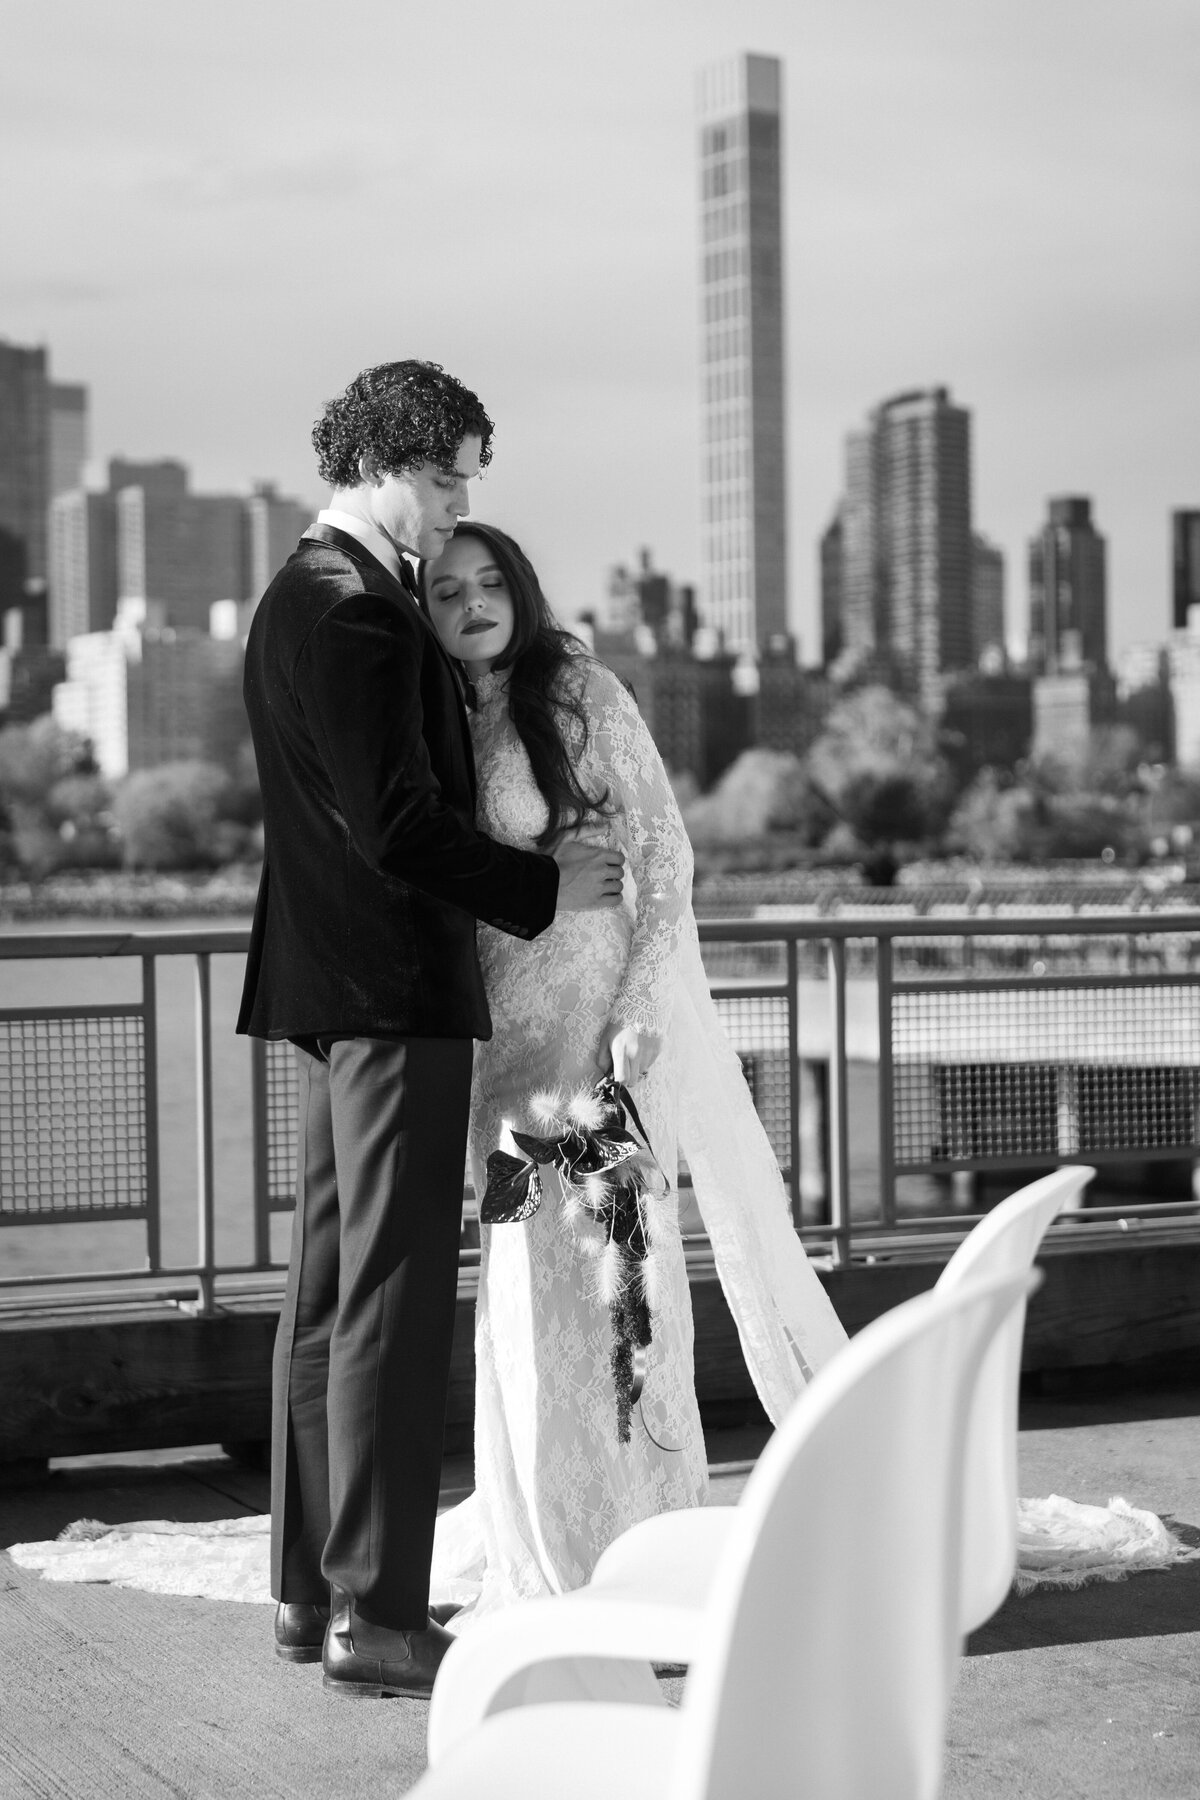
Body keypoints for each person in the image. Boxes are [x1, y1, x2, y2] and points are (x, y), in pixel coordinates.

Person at [235, 363, 624, 1699]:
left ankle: (304, 1593)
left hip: (328, 993)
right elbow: (396, 827)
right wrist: (544, 889)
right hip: (396, 995)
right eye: (448, 472)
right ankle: (378, 1616)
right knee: (389, 1313)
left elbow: (315, 833)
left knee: (330, 1300)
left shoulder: (292, 597)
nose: (458, 500)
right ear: (389, 460)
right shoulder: (365, 618)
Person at [418, 523, 850, 1627]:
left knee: (620, 1279)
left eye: (486, 585)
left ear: (519, 588)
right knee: (521, 1291)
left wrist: (640, 1010)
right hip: (499, 1042)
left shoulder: (584, 696)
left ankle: (642, 1529)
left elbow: (663, 855)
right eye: (444, 590)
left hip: (601, 1031)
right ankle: (542, 1533)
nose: (470, 605)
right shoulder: (431, 723)